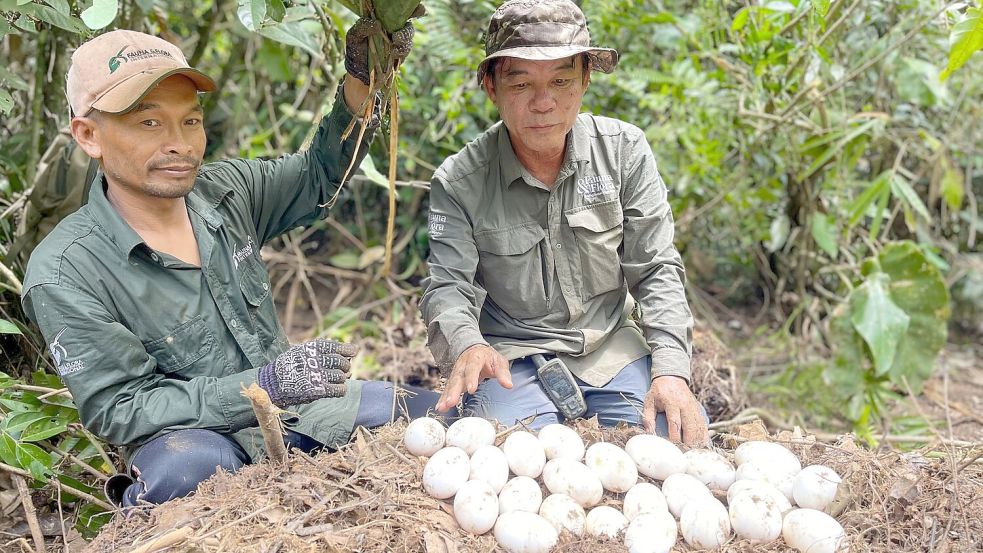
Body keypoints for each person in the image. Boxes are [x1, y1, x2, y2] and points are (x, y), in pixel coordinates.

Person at [21, 24, 442, 508]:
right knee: (185, 474)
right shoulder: (65, 270)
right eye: (149, 123)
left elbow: (318, 175)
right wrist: (260, 387)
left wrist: (365, 78)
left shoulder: (228, 192)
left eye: (191, 121)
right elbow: (121, 408)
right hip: (200, 441)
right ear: (89, 135)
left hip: (303, 412)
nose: (179, 144)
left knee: (436, 416)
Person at [420, 0, 709, 445]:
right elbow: (448, 287)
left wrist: (671, 370)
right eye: (520, 84)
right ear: (490, 86)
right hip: (512, 359)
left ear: (585, 81)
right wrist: (468, 346)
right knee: (504, 456)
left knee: (671, 442)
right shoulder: (459, 182)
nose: (543, 103)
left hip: (611, 348)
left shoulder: (624, 152)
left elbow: (656, 269)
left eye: (561, 81)